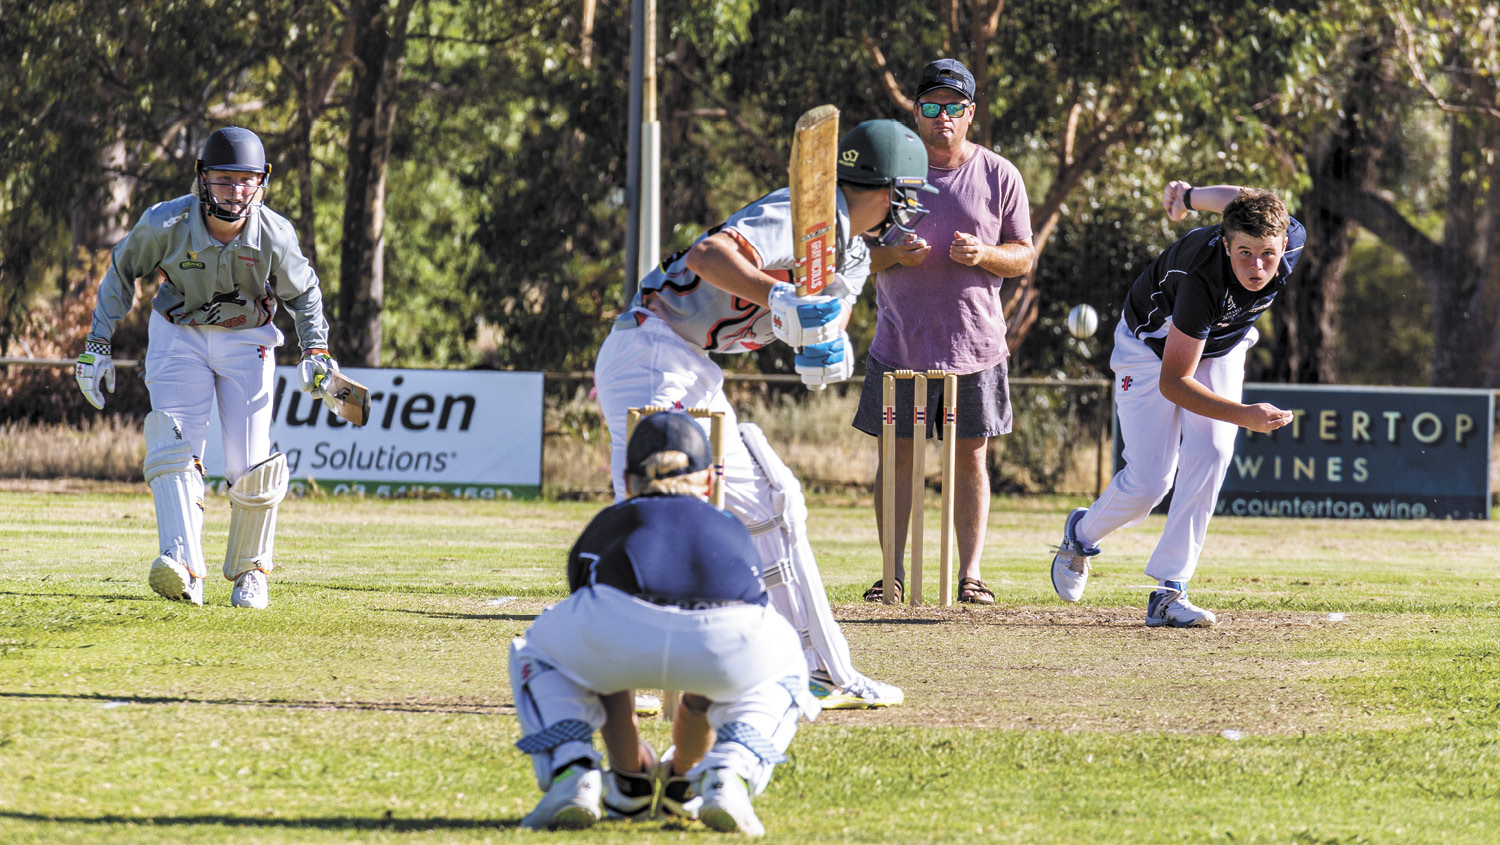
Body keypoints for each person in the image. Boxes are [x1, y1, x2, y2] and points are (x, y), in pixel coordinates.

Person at [592, 119, 935, 710]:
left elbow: (828, 306)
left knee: (768, 507)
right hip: (653, 352)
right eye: (906, 192)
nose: (909, 206)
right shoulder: (806, 212)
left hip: (687, 362)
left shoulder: (853, 250)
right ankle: (606, 670)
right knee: (668, 513)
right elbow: (708, 255)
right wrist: (778, 296)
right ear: (885, 189)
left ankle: (814, 669)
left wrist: (823, 341)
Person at [509, 410, 818, 834]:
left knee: (537, 652)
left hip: (616, 631)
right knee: (784, 664)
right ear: (709, 481)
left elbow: (601, 663)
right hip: (727, 640)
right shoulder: (731, 526)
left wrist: (630, 771)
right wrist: (683, 767)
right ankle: (729, 774)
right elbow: (708, 683)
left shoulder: (609, 520)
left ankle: (573, 771)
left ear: (627, 479)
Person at [74, 126, 341, 610]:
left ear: (261, 182)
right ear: (202, 179)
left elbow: (304, 293)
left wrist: (316, 351)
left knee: (250, 466)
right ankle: (182, 566)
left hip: (248, 340)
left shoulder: (275, 233)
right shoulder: (166, 223)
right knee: (174, 449)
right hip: (178, 335)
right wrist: (97, 342)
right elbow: (121, 270)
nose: (235, 191)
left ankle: (251, 573)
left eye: (245, 180)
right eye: (223, 179)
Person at [1050, 182, 1303, 626]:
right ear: (1226, 244)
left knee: (1214, 451)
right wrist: (1245, 416)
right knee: (1150, 483)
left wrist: (1188, 197)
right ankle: (1081, 535)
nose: (1257, 266)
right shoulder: (1201, 279)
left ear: (1285, 243)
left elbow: (1240, 198)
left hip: (1220, 347)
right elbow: (1175, 382)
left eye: (1267, 253)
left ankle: (1170, 589)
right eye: (1244, 253)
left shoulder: (1290, 236)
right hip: (1150, 351)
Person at [853, 58, 1035, 606]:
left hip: (975, 346)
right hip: (899, 345)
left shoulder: (999, 174)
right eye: (931, 106)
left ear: (970, 113)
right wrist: (893, 254)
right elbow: (854, 256)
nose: (942, 117)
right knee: (898, 459)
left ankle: (971, 575)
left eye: (954, 107)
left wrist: (985, 254)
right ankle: (891, 574)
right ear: (915, 112)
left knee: (971, 457)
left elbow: (1023, 255)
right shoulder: (890, 174)